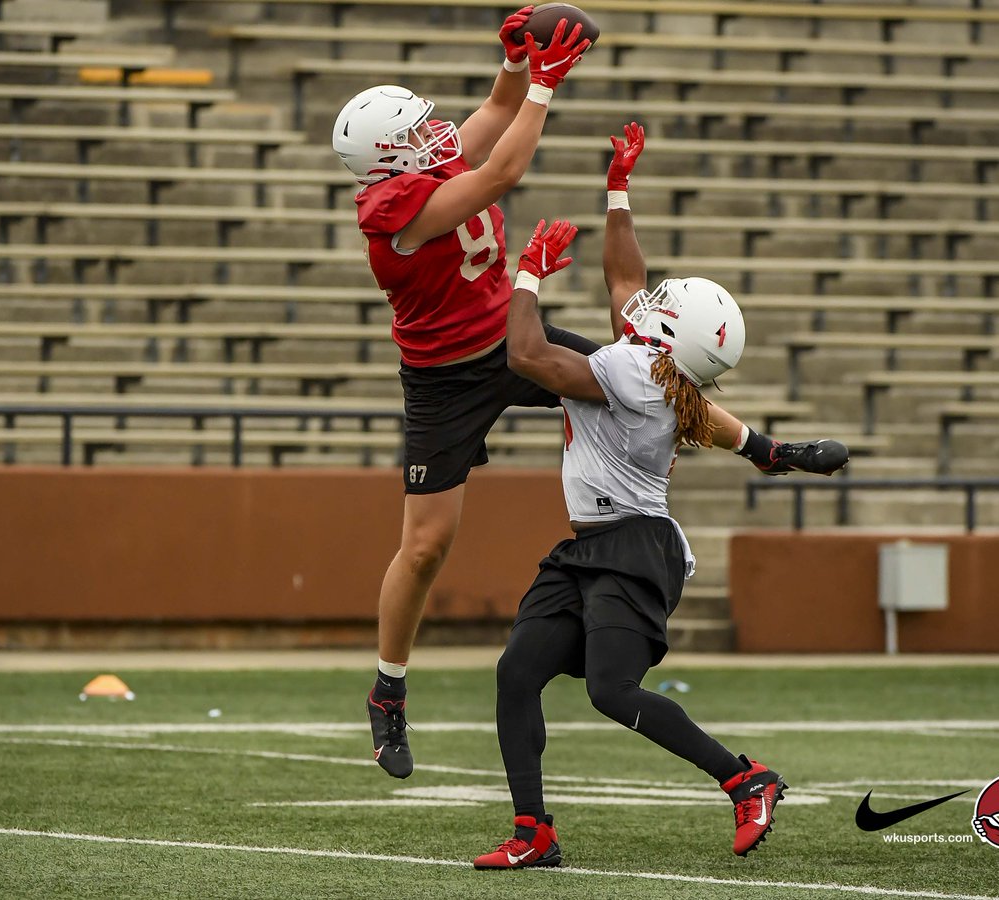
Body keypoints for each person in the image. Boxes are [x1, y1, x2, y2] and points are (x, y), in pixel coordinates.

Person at [471, 123, 849, 869]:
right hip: (594, 545)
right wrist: (619, 190)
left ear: (671, 336)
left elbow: (526, 355)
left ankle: (744, 778)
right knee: (517, 674)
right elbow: (624, 283)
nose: (645, 305)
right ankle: (533, 832)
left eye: (661, 308)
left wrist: (528, 277)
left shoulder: (636, 376)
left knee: (612, 691)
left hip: (631, 547)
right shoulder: (661, 369)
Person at [330, 9, 595, 779]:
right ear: (388, 158)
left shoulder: (421, 165)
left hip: (515, 340)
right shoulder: (394, 213)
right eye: (416, 132)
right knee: (425, 547)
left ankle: (762, 446)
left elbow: (492, 114)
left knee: (635, 379)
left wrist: (514, 66)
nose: (436, 133)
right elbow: (502, 173)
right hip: (444, 378)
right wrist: (545, 84)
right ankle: (388, 691)